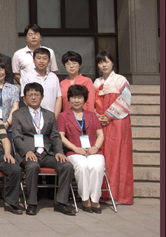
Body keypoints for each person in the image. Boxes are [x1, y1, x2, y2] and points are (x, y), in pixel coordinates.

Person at [12, 82, 76, 216]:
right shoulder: (18, 114)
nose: (33, 97)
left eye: (36, 95)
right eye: (30, 95)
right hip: (28, 153)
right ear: (25, 99)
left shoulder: (50, 115)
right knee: (33, 166)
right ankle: (32, 203)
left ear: (42, 97)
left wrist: (59, 152)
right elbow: (17, 137)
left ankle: (61, 202)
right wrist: (27, 151)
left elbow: (55, 136)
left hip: (47, 153)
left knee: (67, 166)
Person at [58, 85, 105, 213]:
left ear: (85, 100)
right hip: (74, 151)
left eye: (79, 97)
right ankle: (85, 199)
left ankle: (95, 200)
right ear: (69, 99)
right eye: (73, 97)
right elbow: (61, 136)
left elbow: (100, 134)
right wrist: (75, 148)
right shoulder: (63, 116)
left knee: (97, 167)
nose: (76, 100)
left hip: (93, 150)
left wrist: (96, 147)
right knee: (82, 166)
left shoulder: (91, 115)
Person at [93, 51, 133, 205]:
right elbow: (92, 103)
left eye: (107, 61)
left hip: (118, 121)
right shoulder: (96, 82)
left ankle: (119, 195)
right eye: (101, 62)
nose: (104, 65)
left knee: (119, 154)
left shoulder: (120, 80)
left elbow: (126, 99)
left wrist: (109, 115)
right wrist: (98, 117)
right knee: (105, 155)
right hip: (101, 122)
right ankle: (104, 194)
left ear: (113, 63)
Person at [19, 47, 62, 118]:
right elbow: (25, 98)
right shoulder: (27, 77)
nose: (41, 61)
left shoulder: (54, 77)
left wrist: (55, 116)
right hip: (33, 117)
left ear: (49, 61)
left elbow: (58, 98)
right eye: (38, 58)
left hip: (51, 117)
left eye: (45, 58)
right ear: (33, 60)